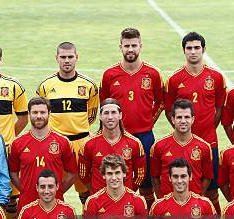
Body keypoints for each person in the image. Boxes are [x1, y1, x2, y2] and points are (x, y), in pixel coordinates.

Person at [99, 28, 164, 208]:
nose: (130, 49)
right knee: (115, 180)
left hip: (144, 137)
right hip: (117, 137)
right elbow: (104, 104)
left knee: (147, 185)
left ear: (140, 46)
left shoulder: (152, 73)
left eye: (134, 46)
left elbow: (161, 102)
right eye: (126, 46)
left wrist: (148, 121)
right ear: (120, 46)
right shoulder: (110, 74)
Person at [164, 32, 226, 216]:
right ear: (184, 51)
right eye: (189, 48)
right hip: (183, 145)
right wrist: (184, 131)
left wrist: (207, 129)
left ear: (203, 50)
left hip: (209, 143)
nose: (193, 52)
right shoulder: (174, 80)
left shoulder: (216, 77)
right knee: (183, 189)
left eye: (197, 48)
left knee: (211, 191)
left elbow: (219, 109)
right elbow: (169, 111)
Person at [36, 41, 98, 205]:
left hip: (82, 142)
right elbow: (40, 115)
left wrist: (78, 130)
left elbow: (91, 115)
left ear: (77, 58)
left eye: (70, 57)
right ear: (57, 58)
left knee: (87, 191)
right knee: (50, 188)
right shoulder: (45, 86)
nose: (67, 60)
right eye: (63, 57)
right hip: (55, 144)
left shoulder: (89, 85)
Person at [9, 96, 77, 213]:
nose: (39, 116)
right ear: (29, 114)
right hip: (26, 205)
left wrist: (58, 191)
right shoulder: (17, 143)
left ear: (49, 113)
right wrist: (25, 190)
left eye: (42, 112)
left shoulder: (63, 142)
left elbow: (73, 173)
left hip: (55, 205)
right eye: (35, 112)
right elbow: (12, 172)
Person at [79, 98, 146, 195]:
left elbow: (140, 175)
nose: (110, 117)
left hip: (125, 202)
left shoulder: (134, 143)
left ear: (120, 115)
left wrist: (128, 192)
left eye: (113, 112)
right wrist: (97, 192)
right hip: (99, 203)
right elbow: (83, 175)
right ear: (100, 116)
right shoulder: (88, 144)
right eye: (106, 113)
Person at [151, 99, 214, 198]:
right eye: (179, 117)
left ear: (192, 119)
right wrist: (161, 199)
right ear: (172, 119)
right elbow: (154, 177)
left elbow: (207, 177)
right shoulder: (159, 146)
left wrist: (198, 197)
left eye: (187, 117)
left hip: (193, 208)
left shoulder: (204, 147)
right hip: (167, 207)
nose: (183, 121)